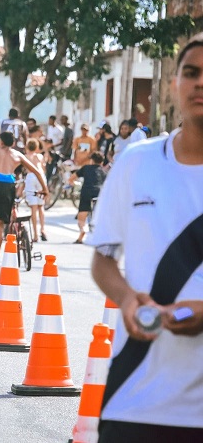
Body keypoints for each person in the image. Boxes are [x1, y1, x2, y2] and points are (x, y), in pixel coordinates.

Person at [88, 34, 203, 442]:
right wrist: (126, 298)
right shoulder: (137, 162)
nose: (200, 83)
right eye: (191, 73)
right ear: (175, 83)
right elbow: (103, 260)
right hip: (133, 399)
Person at [0, 131, 49, 269]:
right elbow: (37, 172)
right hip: (7, 187)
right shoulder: (18, 155)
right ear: (13, 143)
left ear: (0, 142)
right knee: (0, 224)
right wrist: (45, 189)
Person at [69, 151, 106, 244]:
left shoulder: (86, 168)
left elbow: (71, 178)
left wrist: (73, 184)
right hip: (99, 193)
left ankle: (82, 230)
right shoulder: (104, 171)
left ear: (91, 161)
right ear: (101, 162)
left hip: (86, 192)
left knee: (82, 214)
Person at [23, 138, 47, 242]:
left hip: (31, 177)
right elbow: (44, 168)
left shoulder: (25, 157)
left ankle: (35, 234)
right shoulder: (40, 156)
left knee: (33, 207)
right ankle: (43, 229)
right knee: (41, 206)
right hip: (41, 177)